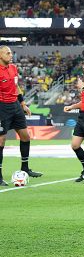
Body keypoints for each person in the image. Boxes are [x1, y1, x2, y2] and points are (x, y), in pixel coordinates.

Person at [0, 46, 41, 186]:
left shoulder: (13, 68)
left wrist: (23, 104)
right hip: (2, 107)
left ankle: (25, 168)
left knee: (25, 136)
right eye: (7, 53)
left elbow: (16, 87)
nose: (10, 55)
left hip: (15, 106)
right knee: (1, 141)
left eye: (11, 52)